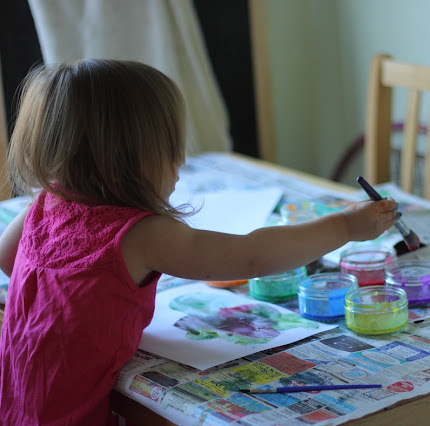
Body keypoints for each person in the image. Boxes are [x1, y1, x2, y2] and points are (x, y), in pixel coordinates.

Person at [0, 59, 398, 425]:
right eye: (172, 149)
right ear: (131, 159)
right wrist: (343, 227)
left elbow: (8, 258)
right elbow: (251, 257)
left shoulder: (43, 206)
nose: (180, 164)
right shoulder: (143, 233)